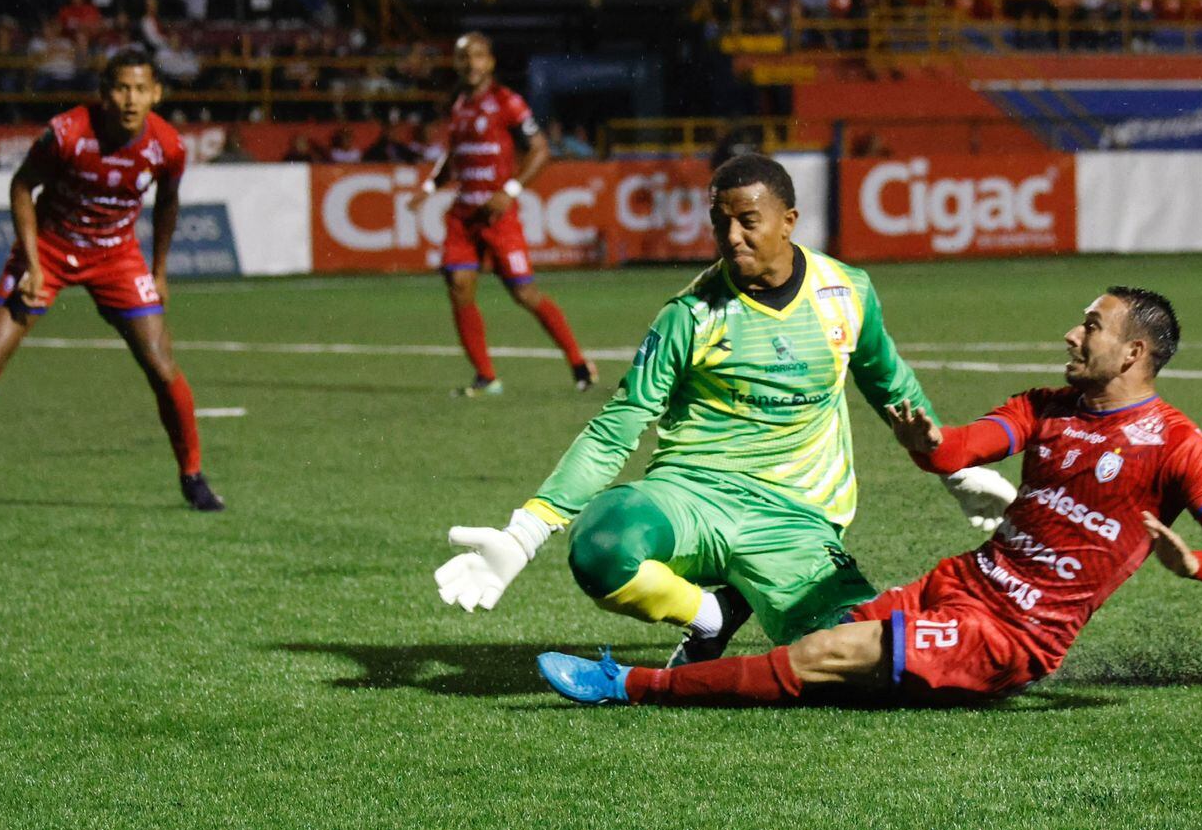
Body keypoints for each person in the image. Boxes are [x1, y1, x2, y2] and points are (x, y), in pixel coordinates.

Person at [536, 286, 1202, 706]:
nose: (1071, 333)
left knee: (823, 654)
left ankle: (630, 685)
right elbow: (958, 448)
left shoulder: (1176, 445)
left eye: (1092, 326)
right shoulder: (1047, 406)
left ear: (1134, 354)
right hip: (962, 583)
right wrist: (927, 443)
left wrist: (1198, 565)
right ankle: (724, 619)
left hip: (1012, 635)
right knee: (806, 644)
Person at [434, 154, 1018, 668]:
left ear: (789, 222)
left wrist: (955, 467)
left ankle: (991, 635)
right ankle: (711, 614)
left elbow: (888, 383)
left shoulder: (847, 291)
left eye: (747, 221)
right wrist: (525, 532)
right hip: (691, 496)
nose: (732, 235)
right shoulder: (689, 315)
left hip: (796, 516)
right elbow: (616, 427)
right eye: (720, 222)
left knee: (853, 649)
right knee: (602, 546)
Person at [0, 47, 224, 511]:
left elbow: (168, 205)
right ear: (104, 93)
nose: (130, 99)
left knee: (160, 366)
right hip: (51, 251)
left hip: (116, 257)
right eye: (120, 88)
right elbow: (22, 186)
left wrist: (158, 271)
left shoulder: (168, 147)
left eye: (140, 89)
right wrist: (34, 265)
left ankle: (193, 476)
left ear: (156, 93)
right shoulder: (67, 133)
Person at [420, 32, 594, 396]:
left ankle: (579, 362)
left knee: (524, 293)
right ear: (456, 63)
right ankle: (486, 377)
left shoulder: (507, 102)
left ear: (491, 62)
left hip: (499, 217)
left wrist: (509, 190)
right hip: (464, 215)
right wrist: (432, 184)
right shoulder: (458, 104)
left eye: (479, 56)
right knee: (459, 285)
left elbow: (541, 149)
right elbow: (456, 153)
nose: (472, 64)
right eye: (464, 57)